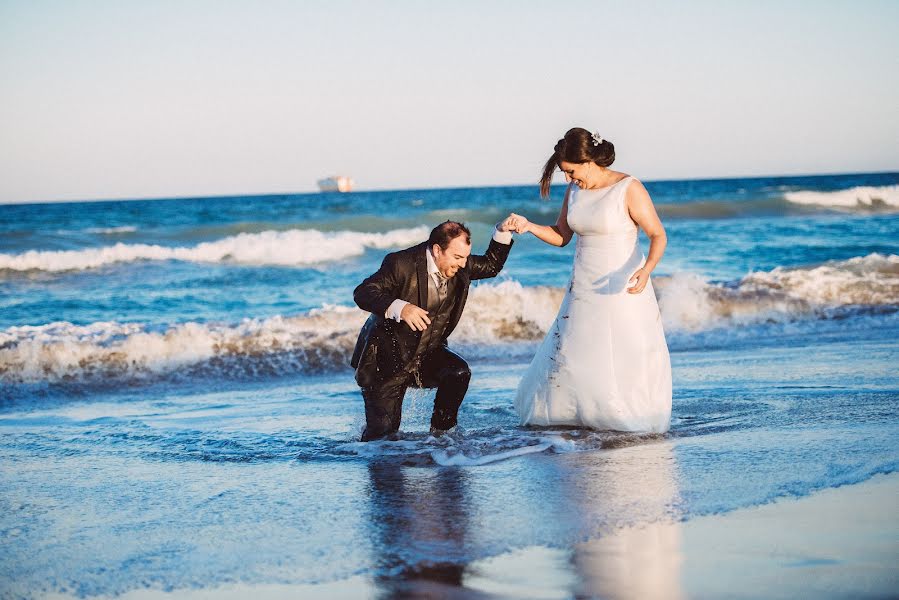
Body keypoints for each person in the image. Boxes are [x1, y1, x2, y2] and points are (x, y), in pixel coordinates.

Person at [506, 127, 672, 432]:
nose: (569, 179)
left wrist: (646, 269)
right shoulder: (574, 192)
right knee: (578, 347)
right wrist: (528, 226)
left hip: (622, 284)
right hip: (583, 284)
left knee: (625, 349)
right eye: (564, 174)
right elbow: (561, 236)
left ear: (587, 161)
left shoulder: (628, 187)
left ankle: (624, 415)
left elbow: (657, 235)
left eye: (570, 172)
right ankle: (580, 414)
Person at [351, 220, 514, 441]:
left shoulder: (460, 265)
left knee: (458, 373)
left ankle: (442, 438)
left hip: (427, 354)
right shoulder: (401, 263)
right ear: (437, 250)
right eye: (457, 257)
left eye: (465, 257)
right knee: (382, 439)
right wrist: (401, 307)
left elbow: (490, 265)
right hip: (387, 361)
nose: (463, 263)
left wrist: (502, 233)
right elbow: (363, 292)